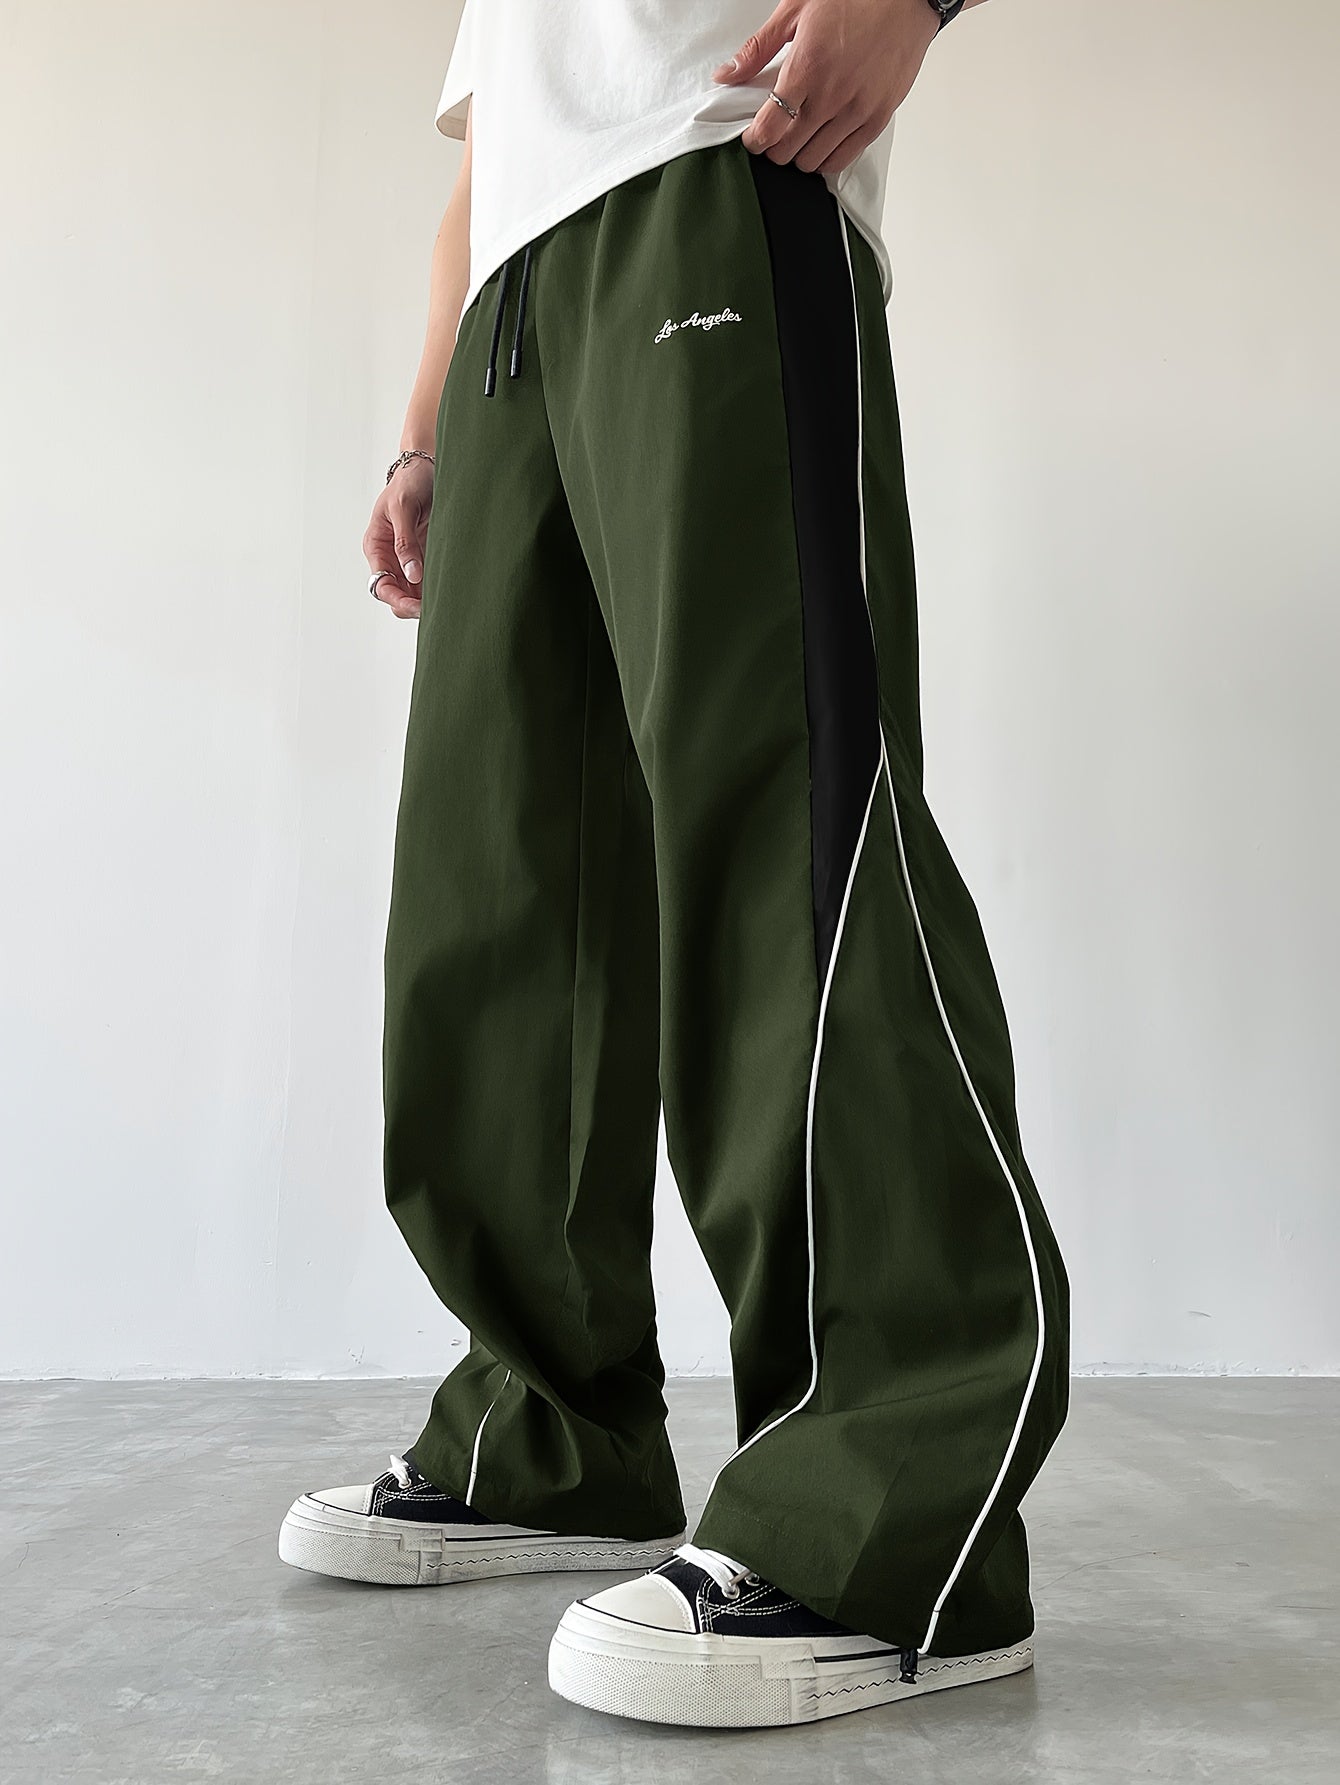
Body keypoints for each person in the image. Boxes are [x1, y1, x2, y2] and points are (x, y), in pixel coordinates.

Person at [278, 0, 1070, 1731]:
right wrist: (430, 421)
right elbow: (496, 134)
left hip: (718, 175)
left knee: (778, 821)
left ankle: (893, 1518)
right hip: (513, 313)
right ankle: (551, 1431)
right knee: (502, 886)